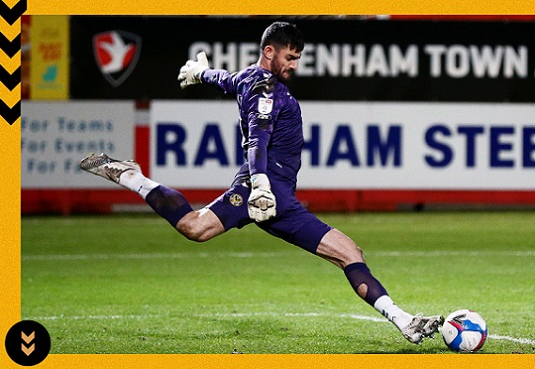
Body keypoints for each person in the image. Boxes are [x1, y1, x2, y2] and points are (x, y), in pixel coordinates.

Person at [80, 21, 443, 345]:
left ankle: (405, 321)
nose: (294, 65)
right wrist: (261, 186)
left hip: (278, 196)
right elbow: (258, 139)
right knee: (195, 228)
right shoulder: (267, 91)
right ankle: (133, 177)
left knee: (350, 253)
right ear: (269, 51)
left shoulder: (247, 78)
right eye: (289, 56)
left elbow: (224, 80)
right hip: (263, 191)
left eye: (297, 58)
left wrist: (201, 72)